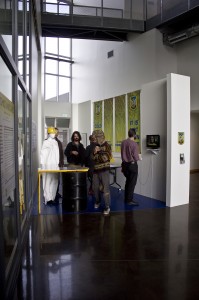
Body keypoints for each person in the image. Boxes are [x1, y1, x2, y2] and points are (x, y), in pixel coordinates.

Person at [91, 130, 112, 215]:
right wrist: (94, 152)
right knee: (95, 187)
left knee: (105, 189)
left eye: (95, 138)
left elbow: (106, 158)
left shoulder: (107, 146)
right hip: (96, 170)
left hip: (104, 170)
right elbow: (92, 158)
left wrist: (98, 152)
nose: (94, 140)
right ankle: (97, 201)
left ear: (100, 137)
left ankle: (107, 207)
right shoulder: (96, 146)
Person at [40, 127, 59, 205]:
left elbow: (57, 154)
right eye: (52, 133)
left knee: (55, 181)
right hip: (48, 165)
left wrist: (57, 163)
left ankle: (53, 197)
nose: (54, 134)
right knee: (47, 181)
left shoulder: (55, 142)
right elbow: (42, 155)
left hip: (55, 165)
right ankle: (47, 198)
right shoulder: (46, 142)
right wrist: (43, 165)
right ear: (49, 133)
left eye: (54, 133)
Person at [121, 128, 140, 206]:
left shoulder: (123, 142)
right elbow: (136, 157)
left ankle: (126, 199)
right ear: (135, 135)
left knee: (128, 182)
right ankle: (129, 200)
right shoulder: (134, 144)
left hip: (124, 165)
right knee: (132, 183)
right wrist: (139, 158)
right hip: (132, 165)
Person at [55, 127, 64, 199]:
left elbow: (61, 154)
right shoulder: (47, 141)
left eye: (57, 132)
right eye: (55, 132)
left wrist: (62, 163)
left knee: (57, 180)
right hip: (50, 165)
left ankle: (56, 192)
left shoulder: (59, 142)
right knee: (50, 180)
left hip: (58, 165)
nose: (56, 134)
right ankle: (51, 195)